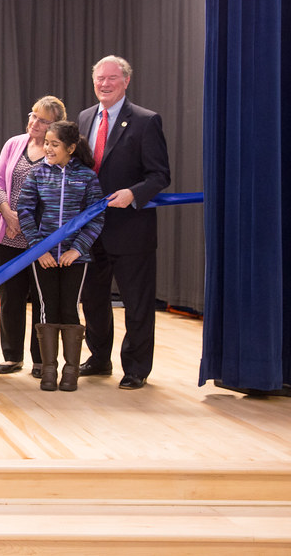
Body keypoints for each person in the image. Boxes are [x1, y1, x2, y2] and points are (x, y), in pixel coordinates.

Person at [77, 55, 171, 390]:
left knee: (137, 303)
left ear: (126, 81)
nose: (104, 84)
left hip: (132, 230)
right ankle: (99, 357)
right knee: (93, 299)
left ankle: (135, 368)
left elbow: (160, 175)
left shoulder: (146, 121)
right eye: (99, 78)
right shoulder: (85, 118)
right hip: (92, 230)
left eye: (111, 78)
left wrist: (133, 193)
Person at [16, 121, 105, 392]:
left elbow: (96, 215)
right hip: (43, 257)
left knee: (69, 309)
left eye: (55, 144)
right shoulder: (37, 173)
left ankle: (71, 370)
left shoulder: (87, 177)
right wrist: (38, 248)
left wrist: (77, 249)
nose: (48, 148)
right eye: (47, 143)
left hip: (74, 258)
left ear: (71, 148)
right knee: (46, 308)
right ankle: (49, 369)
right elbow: (25, 211)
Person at [0, 96, 66, 377]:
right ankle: (12, 356)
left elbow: (59, 196)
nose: (34, 122)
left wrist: (28, 224)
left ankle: (40, 359)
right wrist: (8, 215)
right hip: (6, 233)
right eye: (33, 115)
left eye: (43, 120)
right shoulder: (13, 144)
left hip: (40, 239)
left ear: (54, 126)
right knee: (11, 296)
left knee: (41, 298)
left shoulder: (57, 153)